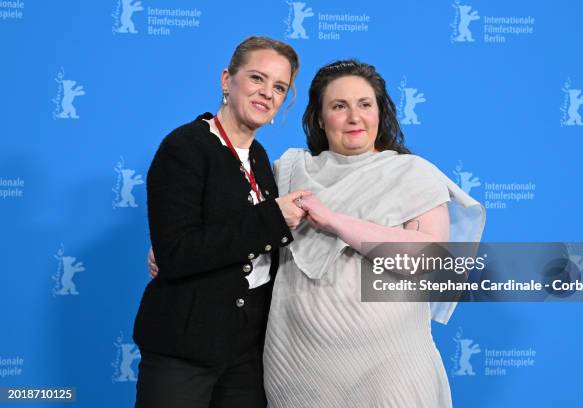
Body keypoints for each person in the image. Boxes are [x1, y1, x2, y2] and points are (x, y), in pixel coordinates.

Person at [263, 60, 485, 407]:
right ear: (321, 118)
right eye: (339, 106)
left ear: (380, 112)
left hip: (392, 365)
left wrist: (335, 221)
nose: (354, 117)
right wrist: (175, 244)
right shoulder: (289, 170)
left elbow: (428, 259)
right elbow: (243, 228)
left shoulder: (412, 174)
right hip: (300, 367)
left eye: (365, 105)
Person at [133, 36, 309, 408]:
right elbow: (178, 252)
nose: (267, 93)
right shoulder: (185, 147)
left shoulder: (260, 157)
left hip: (247, 352)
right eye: (257, 79)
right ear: (227, 80)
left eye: (279, 87)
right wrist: (272, 218)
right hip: (185, 347)